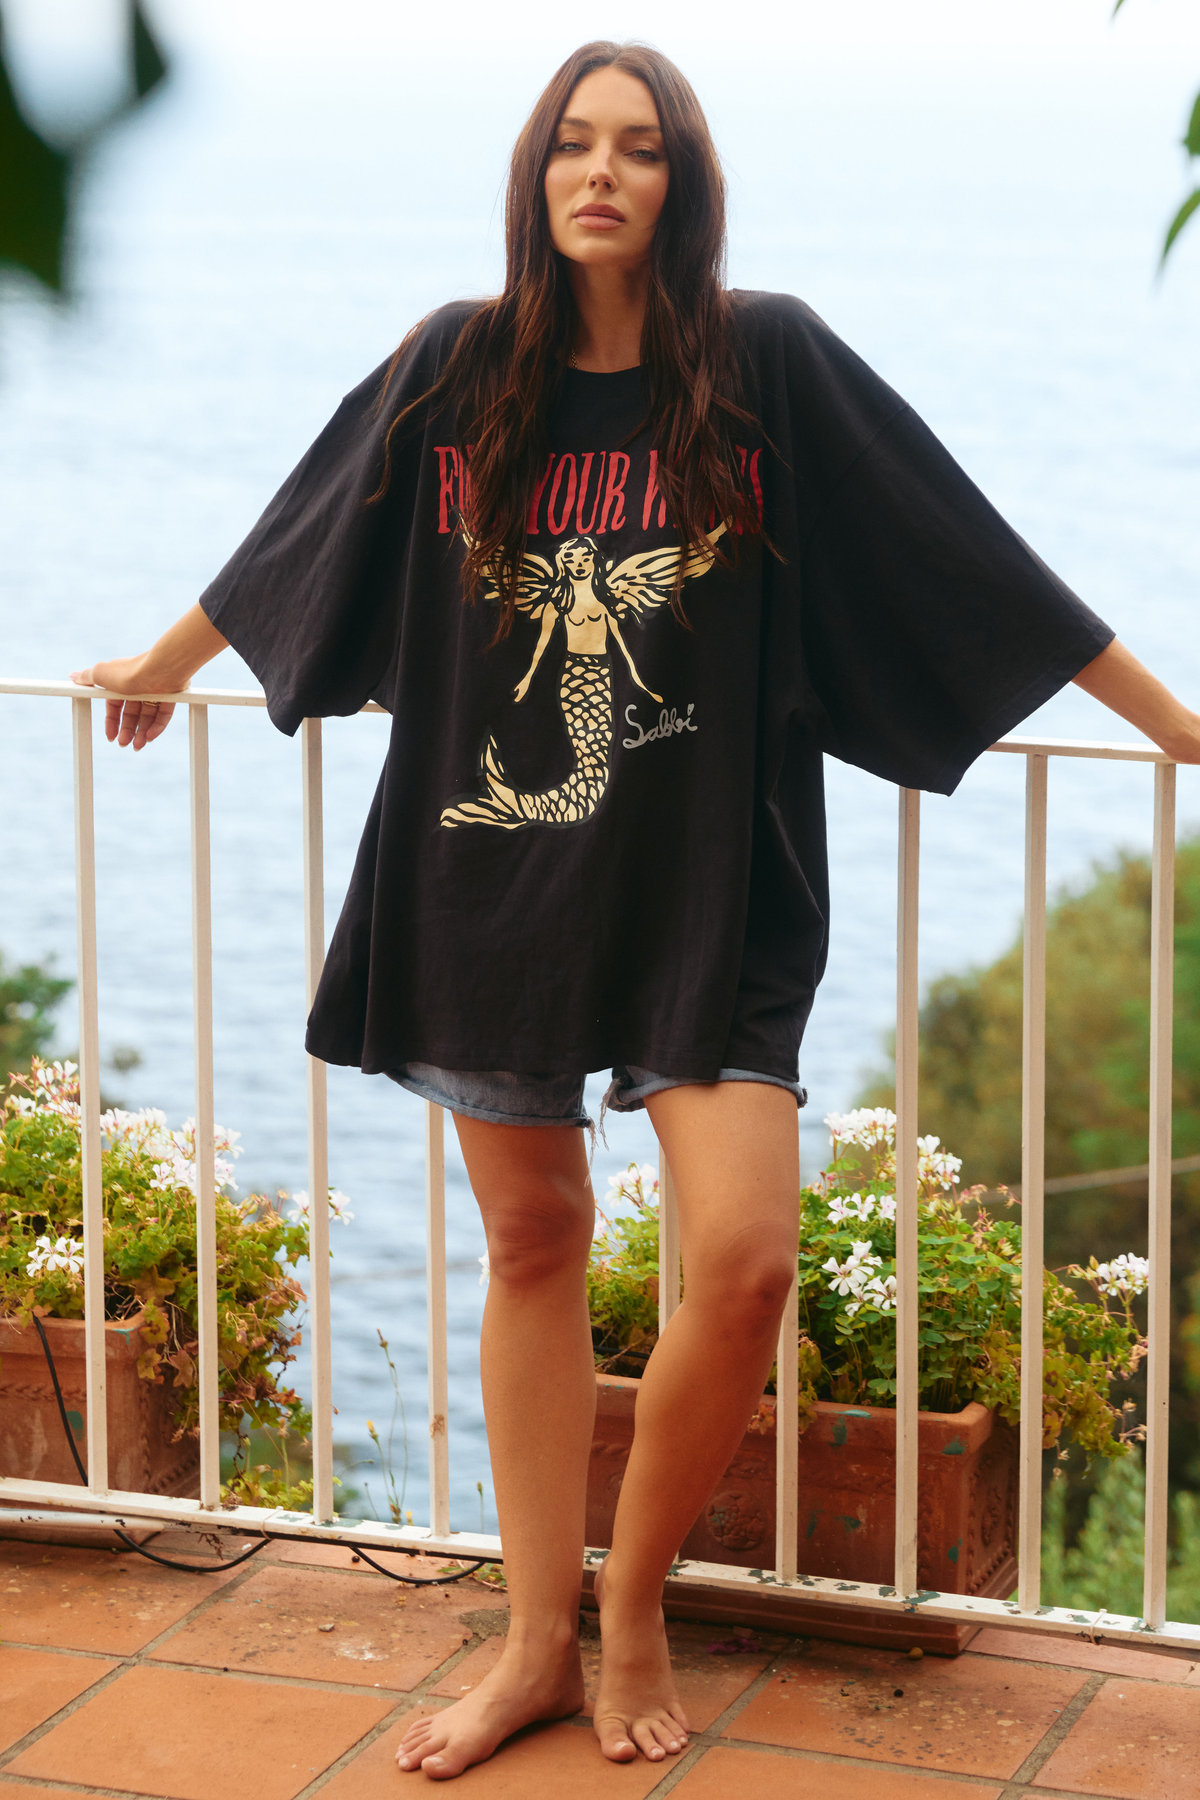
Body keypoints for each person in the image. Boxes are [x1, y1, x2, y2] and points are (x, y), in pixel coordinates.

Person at [72, 39, 1200, 1784]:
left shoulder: (764, 364)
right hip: (489, 876)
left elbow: (974, 558)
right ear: (536, 175)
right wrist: (162, 662)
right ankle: (536, 1637)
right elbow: (301, 534)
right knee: (533, 1243)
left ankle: (633, 1605)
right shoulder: (460, 367)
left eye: (642, 148)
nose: (602, 173)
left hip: (715, 888)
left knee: (742, 1263)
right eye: (574, 145)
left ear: (685, 184)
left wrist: (1180, 730)